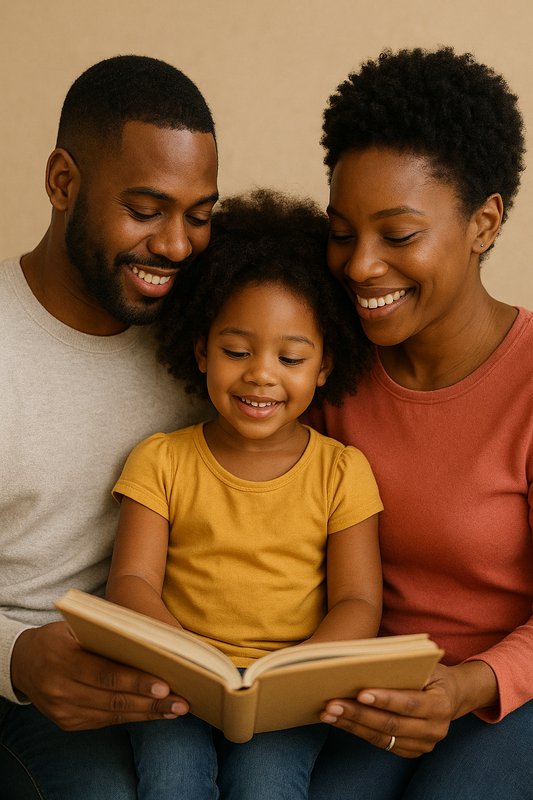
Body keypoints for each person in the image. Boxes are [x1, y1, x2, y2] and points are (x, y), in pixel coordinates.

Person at [302, 47, 533, 799]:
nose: (361, 265)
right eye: (341, 232)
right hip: (378, 686)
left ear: (483, 220)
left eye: (397, 236)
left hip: (508, 685)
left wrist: (464, 688)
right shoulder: (326, 366)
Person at [105, 189, 384, 800]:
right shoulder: (162, 460)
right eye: (237, 351)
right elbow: (130, 585)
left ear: (325, 365)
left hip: (288, 692)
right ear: (202, 350)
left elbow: (360, 602)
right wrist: (190, 663)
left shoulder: (343, 472)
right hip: (175, 679)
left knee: (265, 787)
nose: (261, 373)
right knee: (173, 782)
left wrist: (293, 672)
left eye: (290, 357)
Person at [0, 55, 219, 799]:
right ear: (64, 183)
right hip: (21, 679)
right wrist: (16, 658)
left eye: (198, 215)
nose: (177, 246)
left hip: (163, 671)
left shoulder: (201, 346)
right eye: (146, 208)